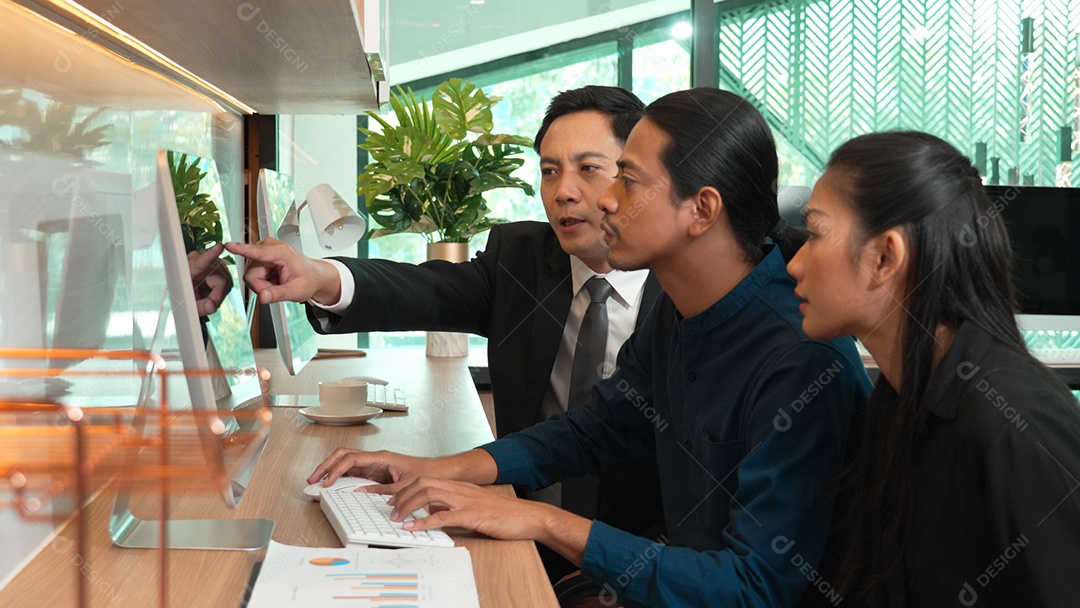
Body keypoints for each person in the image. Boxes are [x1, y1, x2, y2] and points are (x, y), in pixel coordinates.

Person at [307, 88, 873, 607]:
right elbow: (599, 428)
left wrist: (542, 521)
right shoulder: (684, 306)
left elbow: (754, 588)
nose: (604, 201)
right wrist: (434, 470)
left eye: (626, 179)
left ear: (701, 209)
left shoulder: (800, 356)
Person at [226, 86, 666, 579]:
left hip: (642, 558)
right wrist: (320, 275)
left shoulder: (684, 292)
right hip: (517, 532)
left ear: (633, 178)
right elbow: (425, 289)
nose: (563, 190)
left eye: (588, 168)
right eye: (548, 170)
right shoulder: (522, 257)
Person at [786, 131, 1080, 607]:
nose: (795, 264)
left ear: (885, 256)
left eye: (816, 234)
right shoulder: (897, 400)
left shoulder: (1013, 422)